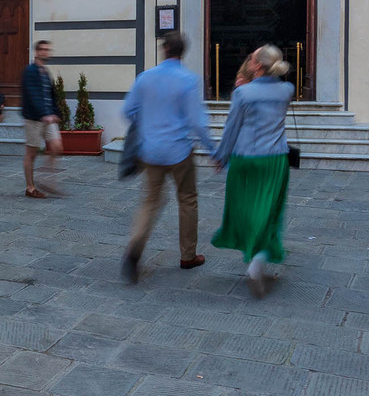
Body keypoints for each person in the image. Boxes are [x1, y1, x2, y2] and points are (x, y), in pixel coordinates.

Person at [120, 31, 211, 281]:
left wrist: (148, 126)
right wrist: (214, 151)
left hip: (150, 151)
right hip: (179, 151)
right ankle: (188, 255)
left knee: (150, 201)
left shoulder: (145, 77)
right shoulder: (188, 80)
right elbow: (198, 122)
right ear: (183, 52)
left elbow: (128, 110)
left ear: (164, 49)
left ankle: (134, 250)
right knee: (187, 199)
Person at [211, 44, 293, 295]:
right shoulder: (287, 90)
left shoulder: (243, 93)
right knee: (270, 211)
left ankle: (253, 256)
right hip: (276, 158)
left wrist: (221, 156)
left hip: (245, 158)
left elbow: (232, 127)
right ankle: (258, 262)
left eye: (252, 57)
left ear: (257, 65)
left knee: (243, 209)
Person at [19, 37, 63, 198]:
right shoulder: (29, 71)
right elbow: (32, 95)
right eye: (43, 49)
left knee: (57, 146)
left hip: (48, 117)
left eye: (48, 49)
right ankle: (30, 187)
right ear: (37, 52)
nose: (46, 52)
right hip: (34, 118)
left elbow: (51, 95)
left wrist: (55, 113)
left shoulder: (45, 72)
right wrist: (44, 114)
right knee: (31, 152)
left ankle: (46, 179)